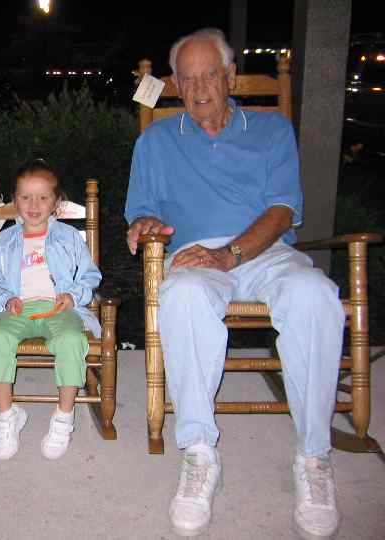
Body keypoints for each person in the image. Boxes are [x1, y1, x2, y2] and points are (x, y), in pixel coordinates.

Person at [125, 28, 343, 539]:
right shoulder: (155, 141)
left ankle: (313, 457)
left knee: (316, 296)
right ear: (175, 85)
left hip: (264, 250)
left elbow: (282, 210)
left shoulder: (271, 130)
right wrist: (145, 225)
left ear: (230, 77)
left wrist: (233, 254)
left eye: (209, 75)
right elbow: (142, 212)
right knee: (181, 294)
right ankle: (199, 452)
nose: (199, 88)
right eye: (188, 79)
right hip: (195, 253)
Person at [0, 159, 102, 461]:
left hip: (59, 309)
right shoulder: (4, 241)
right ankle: (7, 414)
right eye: (25, 197)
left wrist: (73, 296)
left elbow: (90, 275)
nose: (33, 205)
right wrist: (6, 299)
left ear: (56, 203)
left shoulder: (69, 237)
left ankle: (63, 416)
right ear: (14, 200)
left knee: (71, 341)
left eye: (43, 197)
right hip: (17, 309)